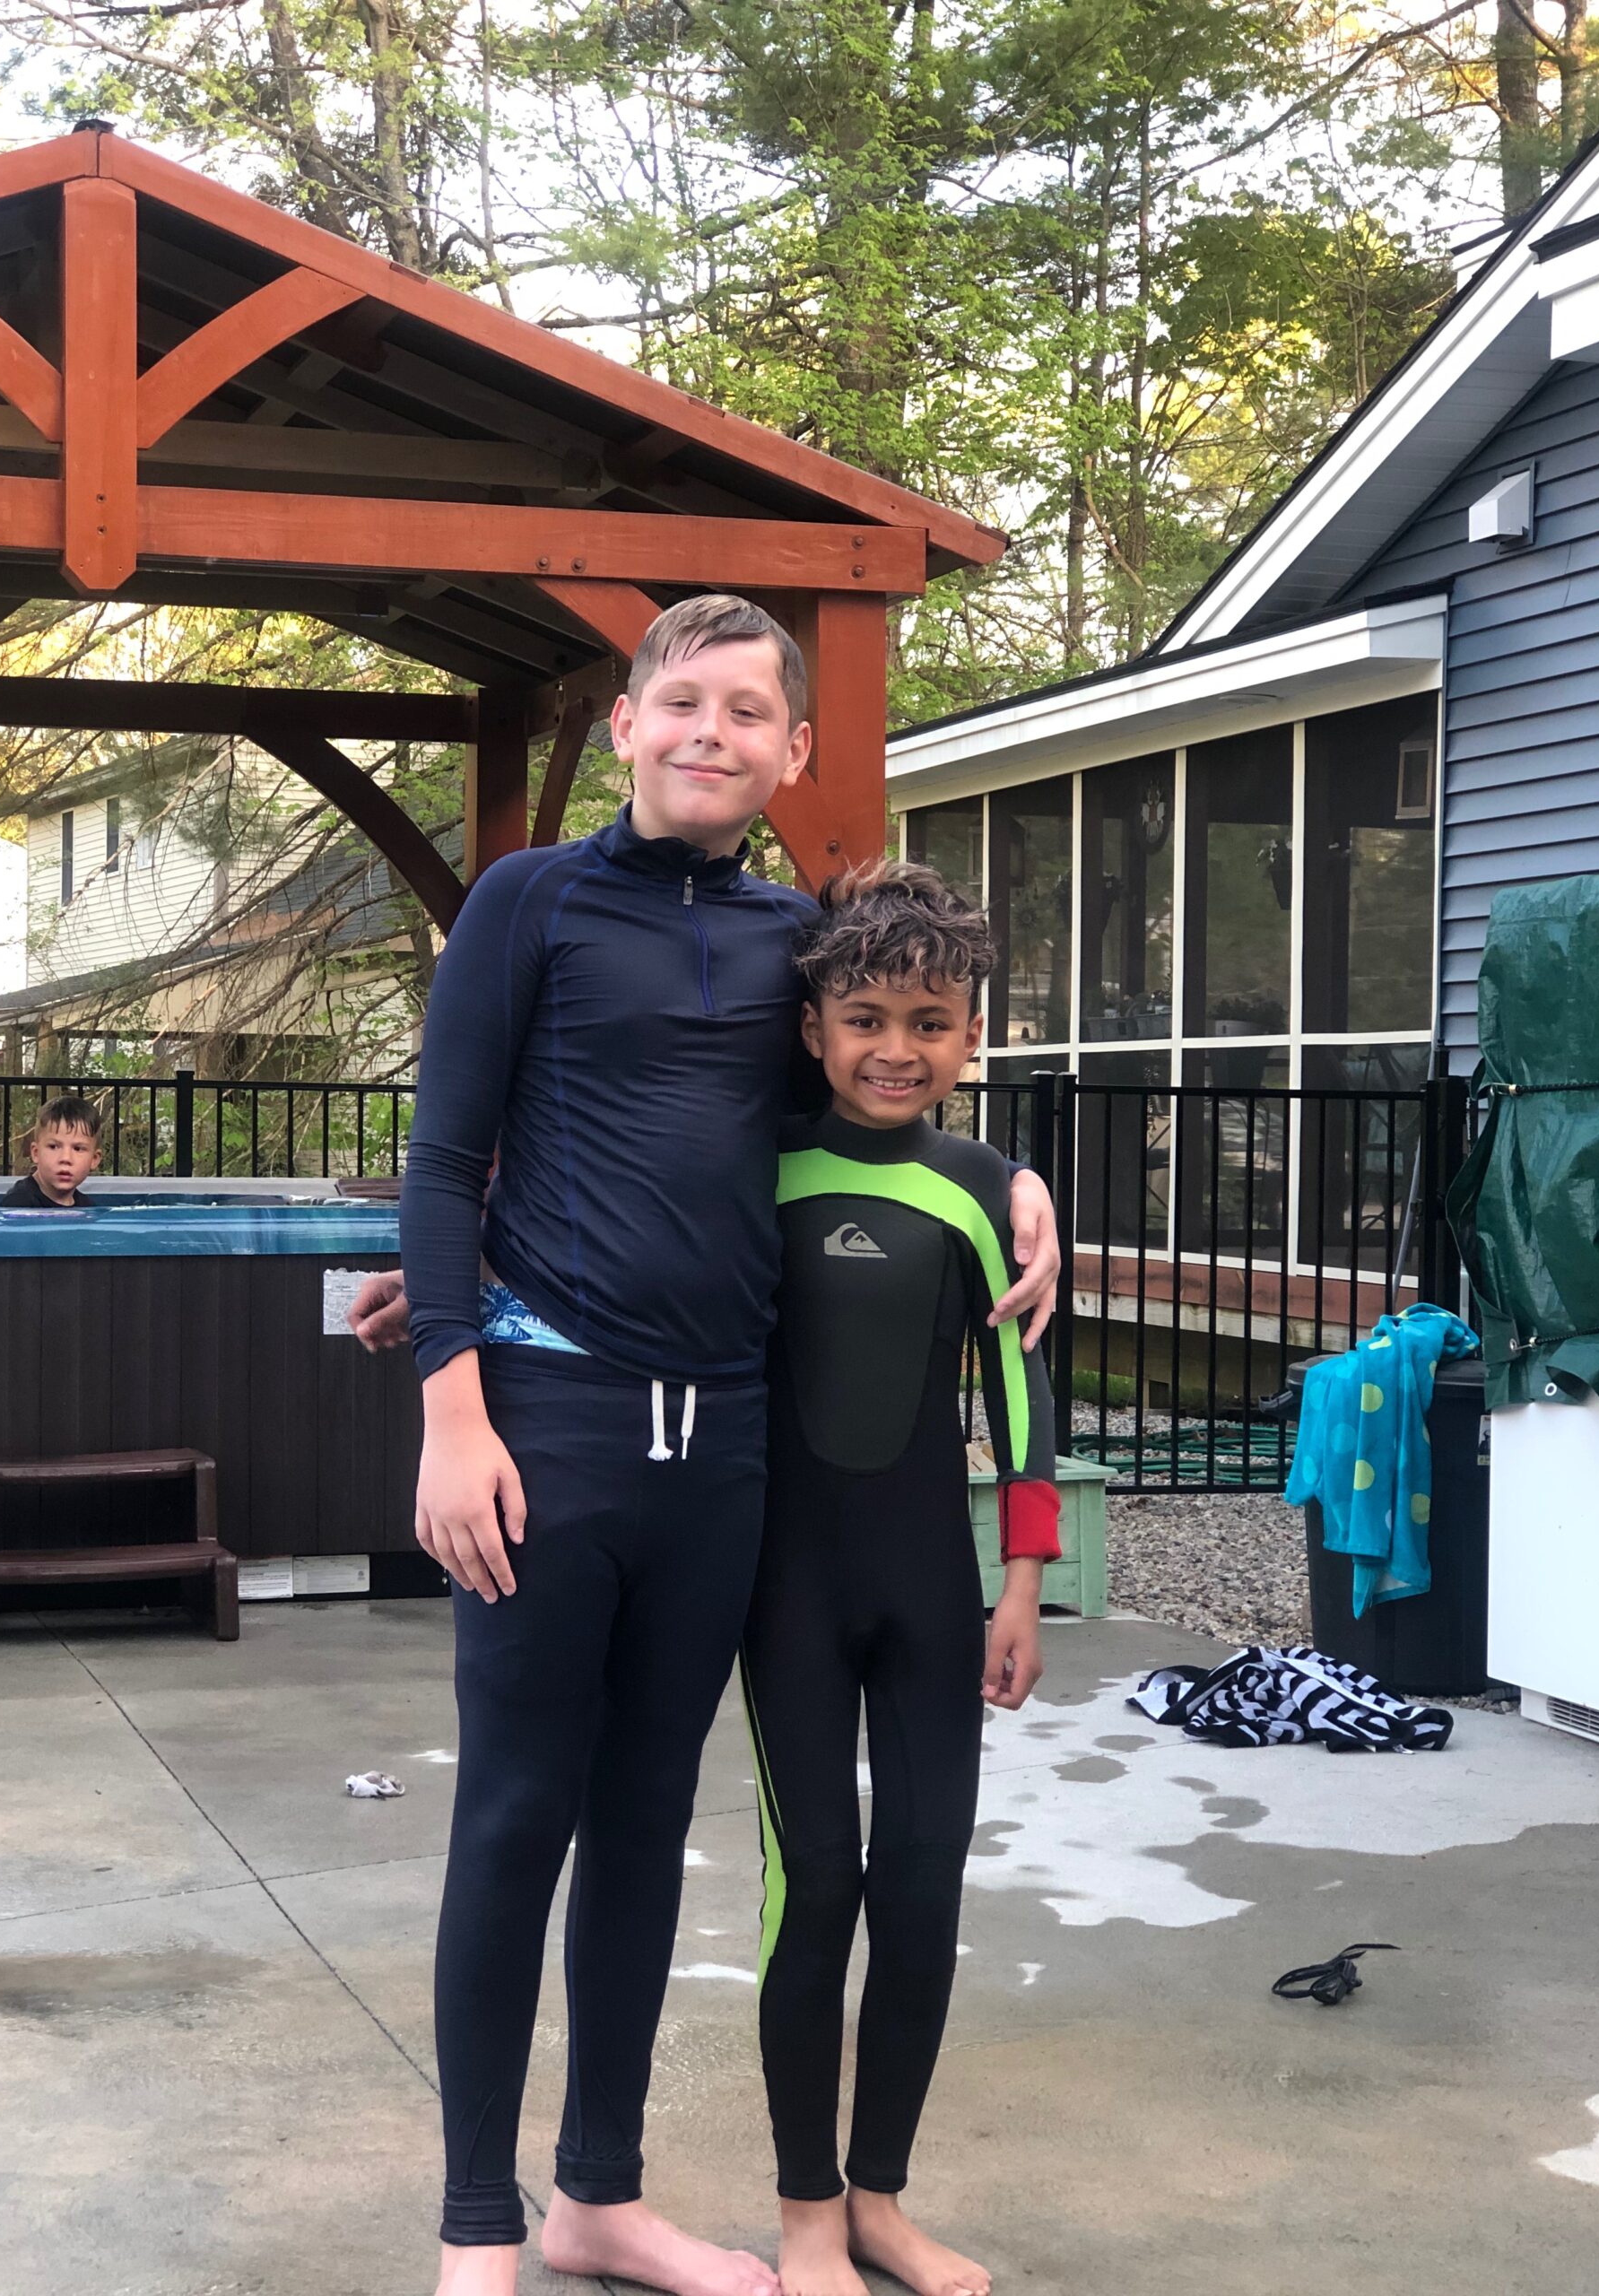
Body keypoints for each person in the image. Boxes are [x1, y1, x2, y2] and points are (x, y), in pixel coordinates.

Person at [390, 591, 1059, 2296]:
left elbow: (860, 1105)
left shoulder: (790, 943)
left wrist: (1013, 1177)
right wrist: (454, 1400)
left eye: (749, 711)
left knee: (642, 1824)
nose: (712, 733)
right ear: (627, 724)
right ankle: (477, 2228)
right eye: (682, 702)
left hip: (726, 1452)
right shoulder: (529, 902)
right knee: (516, 1816)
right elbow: (446, 1155)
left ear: (794, 750)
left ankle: (599, 2198)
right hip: (550, 1429)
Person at [742, 863, 1058, 2296]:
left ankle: (879, 2200)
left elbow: (1023, 1394)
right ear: (813, 1028)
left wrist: (1021, 1583)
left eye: (930, 1022)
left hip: (933, 1590)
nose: (895, 1048)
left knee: (922, 1889)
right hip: (787, 1594)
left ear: (971, 1039)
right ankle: (805, 2210)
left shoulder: (984, 1188)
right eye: (865, 1017)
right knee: (815, 1884)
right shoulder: (758, 1159)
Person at [0, 1095, 102, 1208]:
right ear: (36, 1153)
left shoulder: (87, 1208)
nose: (65, 1158)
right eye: (54, 1147)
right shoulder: (18, 1204)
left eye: (78, 1149)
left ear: (94, 1159)